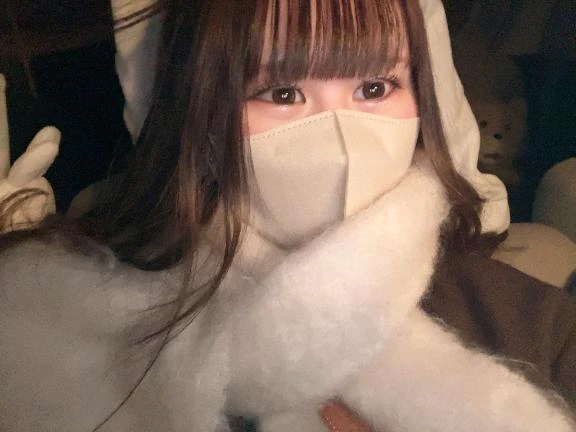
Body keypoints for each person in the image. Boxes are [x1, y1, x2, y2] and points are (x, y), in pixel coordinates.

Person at [0, 0, 574, 431]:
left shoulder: (538, 324)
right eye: (281, 93)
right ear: (201, 115)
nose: (343, 135)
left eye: (376, 87)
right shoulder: (60, 322)